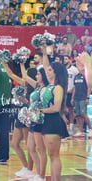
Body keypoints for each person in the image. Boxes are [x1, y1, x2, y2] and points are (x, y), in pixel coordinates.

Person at [40, 45, 69, 181]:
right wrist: (44, 51)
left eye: (50, 70)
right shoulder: (49, 86)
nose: (47, 71)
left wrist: (40, 110)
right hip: (46, 121)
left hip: (53, 122)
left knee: (54, 156)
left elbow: (56, 108)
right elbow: (46, 65)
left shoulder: (58, 88)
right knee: (51, 155)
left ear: (55, 72)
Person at [20, 63, 48, 181]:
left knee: (41, 149)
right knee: (30, 147)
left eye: (38, 74)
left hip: (40, 121)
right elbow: (25, 77)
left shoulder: (47, 89)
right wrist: (21, 63)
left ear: (43, 76)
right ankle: (38, 173)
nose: (36, 76)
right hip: (32, 120)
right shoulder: (37, 86)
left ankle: (42, 175)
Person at [71, 61, 92, 137]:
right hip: (76, 97)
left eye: (81, 66)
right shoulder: (76, 76)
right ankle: (80, 130)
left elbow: (89, 87)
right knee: (78, 115)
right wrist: (72, 98)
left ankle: (90, 129)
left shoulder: (86, 76)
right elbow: (74, 87)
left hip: (83, 97)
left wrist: (87, 97)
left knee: (84, 114)